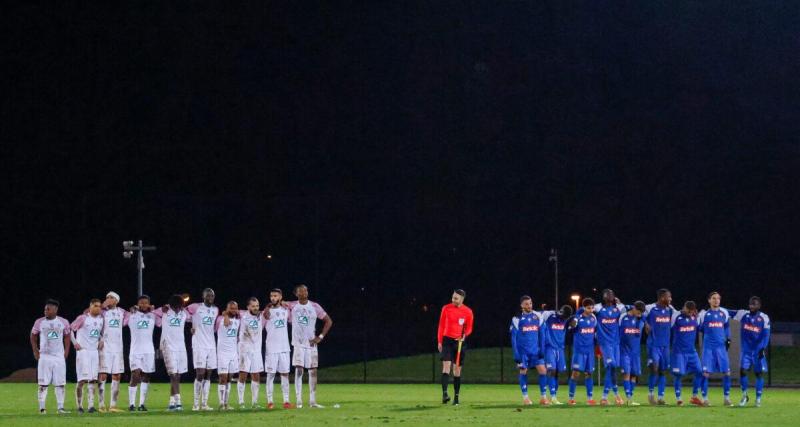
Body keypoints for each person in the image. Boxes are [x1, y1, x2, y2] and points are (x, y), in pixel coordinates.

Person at [30, 299, 71, 414]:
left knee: (60, 383)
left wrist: (66, 351)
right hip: (45, 357)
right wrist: (35, 351)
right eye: (45, 309)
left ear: (55, 310)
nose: (45, 311)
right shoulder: (39, 322)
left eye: (48, 309)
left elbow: (67, 336)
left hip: (58, 357)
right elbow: (33, 336)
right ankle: (42, 408)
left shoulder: (63, 322)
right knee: (43, 383)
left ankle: (60, 408)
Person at [729, 296, 770, 407]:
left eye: (754, 304)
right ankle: (744, 396)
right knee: (742, 371)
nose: (751, 306)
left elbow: (766, 336)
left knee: (758, 374)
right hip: (746, 351)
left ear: (759, 305)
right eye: (750, 304)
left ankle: (758, 399)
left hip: (758, 351)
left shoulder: (764, 318)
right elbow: (728, 312)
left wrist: (762, 348)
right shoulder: (743, 314)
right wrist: (717, 308)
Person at [587, 289, 627, 405]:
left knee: (613, 368)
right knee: (612, 365)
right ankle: (604, 397)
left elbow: (629, 309)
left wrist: (620, 303)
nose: (610, 296)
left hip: (615, 343)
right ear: (603, 297)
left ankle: (616, 395)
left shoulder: (618, 308)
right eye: (607, 294)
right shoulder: (598, 308)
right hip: (605, 343)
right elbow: (584, 310)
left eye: (612, 294)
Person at [437, 289, 474, 406]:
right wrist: (439, 341)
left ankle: (456, 398)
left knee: (457, 370)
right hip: (447, 340)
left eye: (456, 298)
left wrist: (464, 335)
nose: (453, 300)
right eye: (453, 297)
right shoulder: (446, 308)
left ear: (462, 299)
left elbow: (469, 328)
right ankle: (444, 394)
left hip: (459, 343)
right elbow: (441, 325)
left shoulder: (468, 311)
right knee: (446, 367)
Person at [509, 296, 548, 405]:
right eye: (526, 304)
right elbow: (513, 338)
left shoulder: (538, 316)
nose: (529, 306)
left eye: (530, 303)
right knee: (523, 371)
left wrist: (542, 349)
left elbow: (542, 334)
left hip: (535, 350)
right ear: (521, 305)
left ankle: (543, 397)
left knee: (543, 371)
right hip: (523, 352)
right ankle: (526, 398)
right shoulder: (517, 318)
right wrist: (516, 353)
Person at [186, 288, 219, 411]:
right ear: (203, 296)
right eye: (208, 295)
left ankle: (204, 404)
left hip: (211, 345)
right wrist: (191, 326)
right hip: (199, 345)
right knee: (200, 373)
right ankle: (195, 404)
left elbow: (215, 327)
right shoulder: (195, 307)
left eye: (212, 295)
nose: (210, 297)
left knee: (208, 374)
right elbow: (183, 314)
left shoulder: (215, 310)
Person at [698, 291, 732, 406]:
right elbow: (699, 328)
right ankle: (705, 398)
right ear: (709, 300)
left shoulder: (724, 313)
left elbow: (726, 326)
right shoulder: (703, 314)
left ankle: (727, 398)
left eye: (718, 298)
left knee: (727, 373)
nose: (716, 300)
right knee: (705, 374)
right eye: (713, 298)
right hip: (708, 348)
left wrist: (728, 338)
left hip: (721, 349)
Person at [126, 295, 160, 411]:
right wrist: (131, 310)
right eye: (141, 303)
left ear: (149, 304)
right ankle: (131, 404)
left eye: (146, 303)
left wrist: (154, 311)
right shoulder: (132, 315)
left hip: (149, 351)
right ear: (138, 303)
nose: (144, 305)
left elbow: (161, 322)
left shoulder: (152, 316)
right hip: (135, 351)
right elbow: (123, 322)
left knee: (146, 376)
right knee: (135, 375)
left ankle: (141, 404)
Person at [71, 298, 105, 413]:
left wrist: (101, 340)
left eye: (100, 306)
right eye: (95, 306)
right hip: (83, 352)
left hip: (94, 352)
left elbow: (99, 333)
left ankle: (91, 406)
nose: (98, 308)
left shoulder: (101, 320)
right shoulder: (83, 318)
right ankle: (79, 406)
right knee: (82, 380)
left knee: (93, 380)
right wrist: (75, 343)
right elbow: (70, 329)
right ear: (90, 306)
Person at [97, 291, 129, 412]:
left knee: (117, 375)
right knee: (103, 374)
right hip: (105, 347)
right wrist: (101, 306)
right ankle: (101, 405)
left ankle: (113, 405)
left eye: (111, 298)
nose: (108, 299)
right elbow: (88, 314)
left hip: (118, 348)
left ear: (116, 300)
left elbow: (132, 316)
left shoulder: (122, 312)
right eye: (107, 297)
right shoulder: (102, 312)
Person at [157, 294, 190, 411]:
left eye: (180, 306)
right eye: (176, 306)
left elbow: (193, 318)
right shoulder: (165, 311)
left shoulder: (184, 314)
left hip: (181, 347)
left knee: (178, 375)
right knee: (173, 375)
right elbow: (151, 312)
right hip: (168, 347)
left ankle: (171, 403)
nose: (178, 308)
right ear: (171, 305)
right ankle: (179, 403)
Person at [670, 301, 704, 406]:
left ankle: (694, 397)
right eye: (688, 311)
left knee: (699, 371)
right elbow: (668, 329)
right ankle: (679, 398)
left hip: (692, 352)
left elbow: (701, 329)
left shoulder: (696, 318)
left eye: (691, 312)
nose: (689, 313)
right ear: (684, 308)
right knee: (679, 374)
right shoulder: (676, 316)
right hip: (679, 352)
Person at [644, 288, 674, 405]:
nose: (670, 299)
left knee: (662, 371)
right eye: (669, 297)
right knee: (654, 369)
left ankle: (661, 397)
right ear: (662, 298)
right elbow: (639, 313)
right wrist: (645, 323)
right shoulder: (650, 308)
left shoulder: (670, 309)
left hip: (665, 345)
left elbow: (679, 314)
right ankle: (651, 394)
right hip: (653, 345)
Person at [263, 289, 292, 409]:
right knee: (270, 375)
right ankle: (270, 401)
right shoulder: (267, 312)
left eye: (275, 296)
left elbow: (295, 308)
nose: (273, 298)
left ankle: (286, 401)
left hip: (284, 347)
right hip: (271, 348)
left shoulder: (286, 310)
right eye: (271, 296)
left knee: (285, 374)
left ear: (280, 297)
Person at [567, 298, 597, 405]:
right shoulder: (577, 318)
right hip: (579, 350)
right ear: (584, 308)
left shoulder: (594, 318)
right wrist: (572, 325)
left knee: (589, 373)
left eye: (592, 308)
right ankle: (571, 398)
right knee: (575, 373)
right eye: (588, 308)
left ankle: (590, 398)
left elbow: (595, 333)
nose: (591, 310)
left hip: (589, 351)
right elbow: (570, 330)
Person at [237, 297, 264, 409]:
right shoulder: (242, 315)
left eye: (257, 305)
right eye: (253, 306)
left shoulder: (261, 316)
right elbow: (229, 311)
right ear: (248, 307)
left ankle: (254, 402)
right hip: (244, 349)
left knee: (256, 376)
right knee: (243, 375)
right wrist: (225, 315)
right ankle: (241, 402)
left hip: (256, 350)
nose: (255, 308)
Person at [543, 304, 573, 404]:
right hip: (549, 347)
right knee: (552, 370)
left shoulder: (566, 320)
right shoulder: (550, 316)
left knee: (557, 373)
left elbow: (574, 321)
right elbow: (538, 315)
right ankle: (552, 396)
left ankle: (553, 394)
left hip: (560, 349)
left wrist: (574, 322)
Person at [618, 301, 646, 405]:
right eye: (638, 311)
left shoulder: (641, 319)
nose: (640, 314)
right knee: (627, 374)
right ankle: (628, 399)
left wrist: (642, 318)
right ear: (634, 308)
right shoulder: (623, 317)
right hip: (624, 351)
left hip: (635, 352)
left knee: (634, 375)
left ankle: (631, 397)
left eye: (641, 313)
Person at [216, 301, 241, 410]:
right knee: (223, 378)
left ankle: (226, 403)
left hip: (233, 353)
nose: (234, 310)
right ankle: (221, 403)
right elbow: (226, 324)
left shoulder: (238, 321)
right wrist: (225, 314)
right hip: (222, 353)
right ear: (227, 309)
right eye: (231, 308)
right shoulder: (220, 319)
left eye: (235, 308)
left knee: (229, 379)